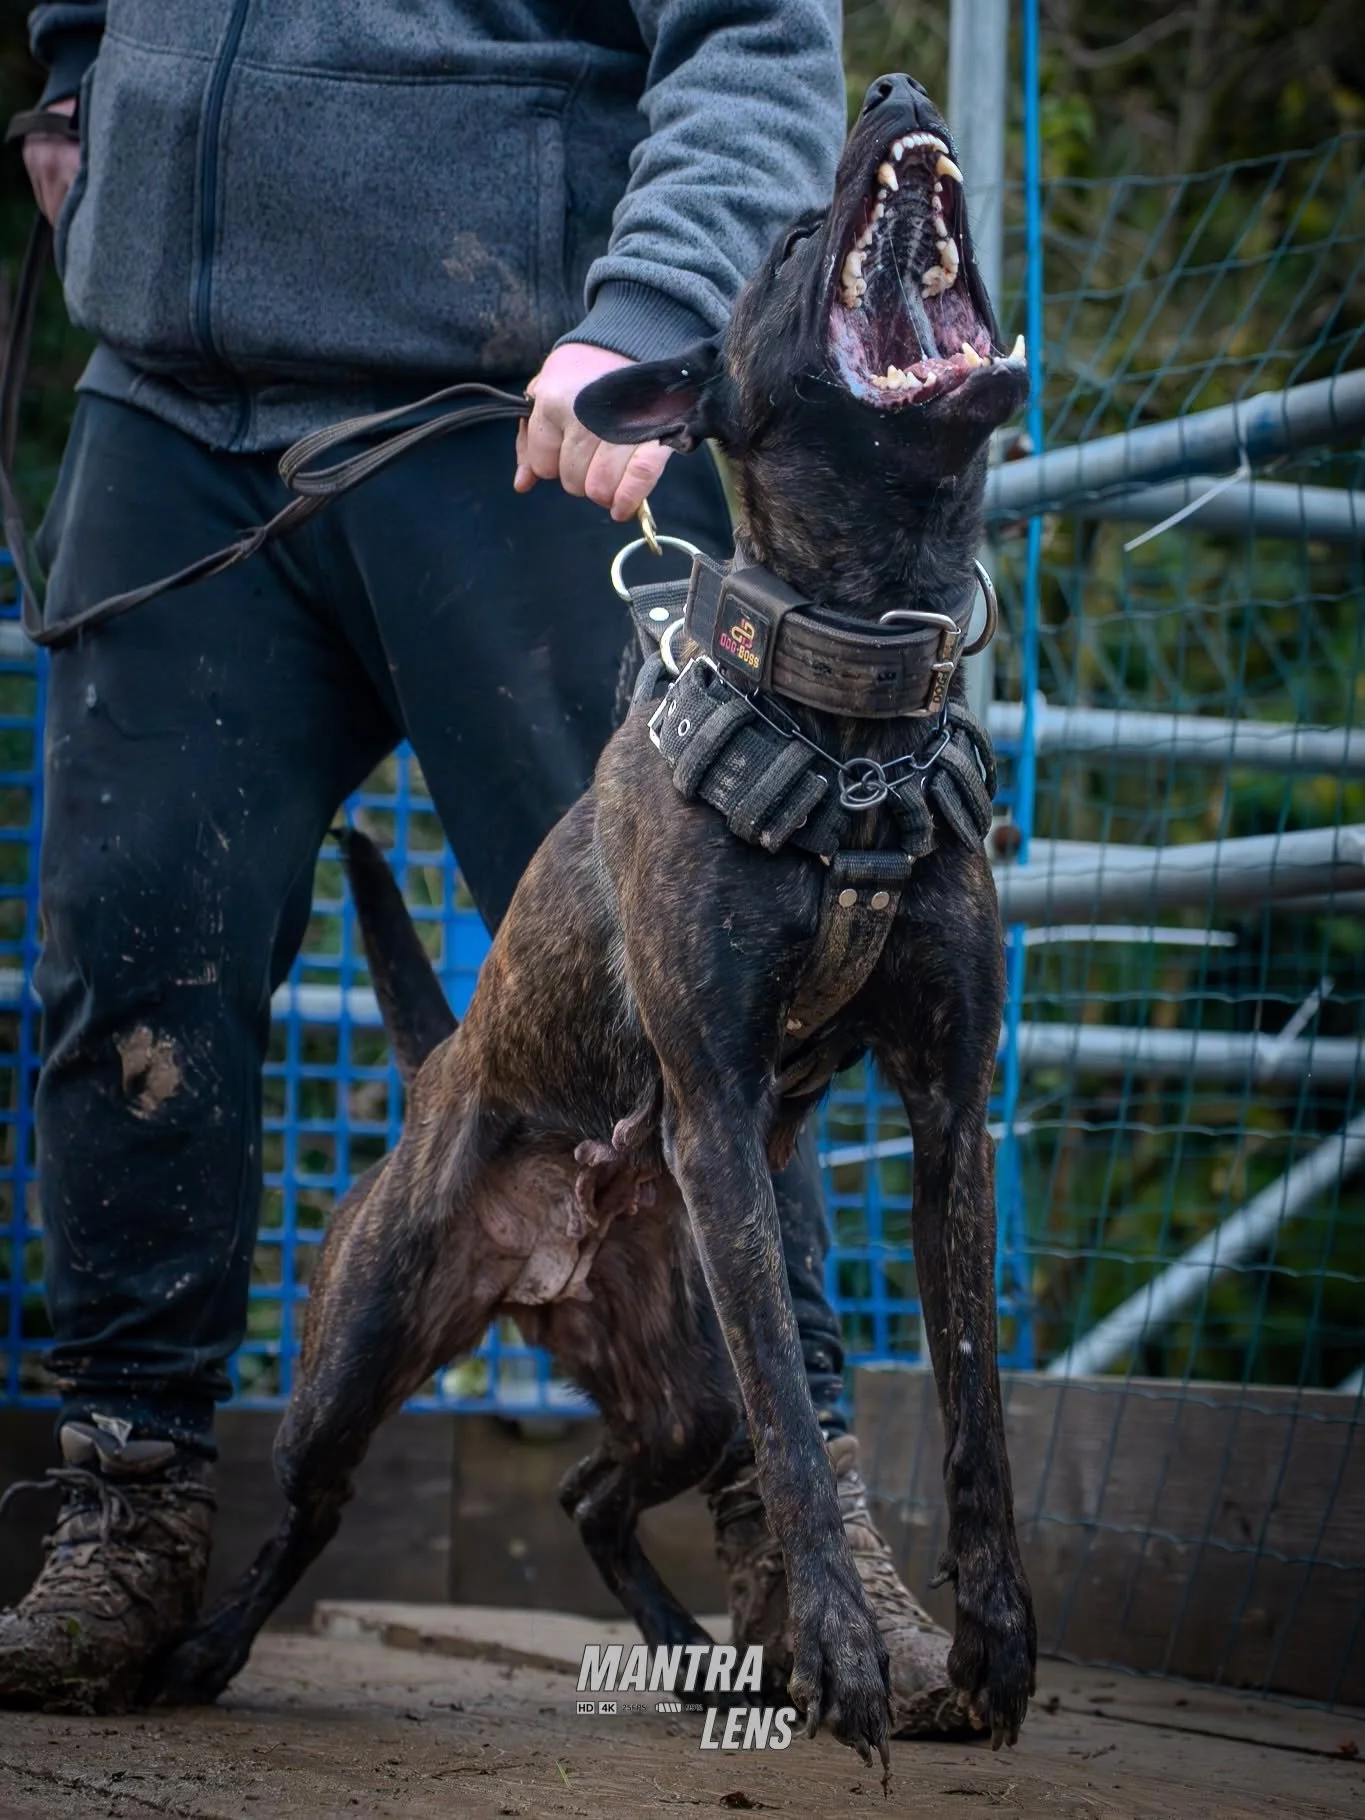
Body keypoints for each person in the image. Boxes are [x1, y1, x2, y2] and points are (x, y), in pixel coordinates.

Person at [0, 0, 957, 1730]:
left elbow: (752, 35)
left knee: (694, 988)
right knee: (124, 955)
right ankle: (126, 1501)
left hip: (524, 397)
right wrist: (78, 73)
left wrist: (651, 320)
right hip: (168, 396)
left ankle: (787, 1522)